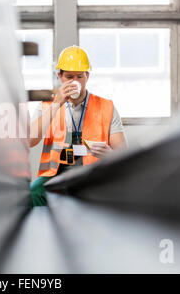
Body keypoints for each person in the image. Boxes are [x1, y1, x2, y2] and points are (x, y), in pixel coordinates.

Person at [29, 45, 128, 206]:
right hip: (56, 176)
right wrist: (57, 104)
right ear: (59, 76)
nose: (74, 82)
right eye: (69, 77)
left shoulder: (106, 107)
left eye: (79, 76)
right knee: (35, 191)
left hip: (93, 174)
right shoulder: (48, 105)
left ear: (87, 76)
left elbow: (123, 155)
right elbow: (30, 139)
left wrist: (109, 154)